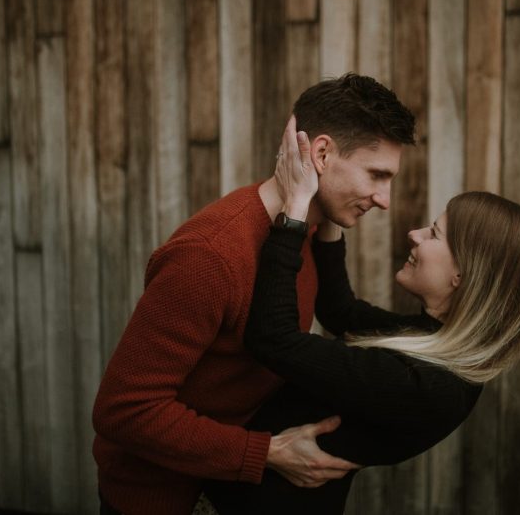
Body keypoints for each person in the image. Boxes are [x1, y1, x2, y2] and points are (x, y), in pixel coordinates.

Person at [92, 74, 416, 515]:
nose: (384, 199)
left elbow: (337, 308)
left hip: (231, 488)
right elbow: (124, 411)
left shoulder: (303, 228)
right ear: (321, 154)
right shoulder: (209, 257)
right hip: (163, 498)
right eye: (376, 175)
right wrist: (265, 452)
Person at [202, 126, 520, 513]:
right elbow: (341, 312)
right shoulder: (432, 340)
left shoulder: (430, 387)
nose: (415, 235)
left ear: (463, 276)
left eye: (434, 234)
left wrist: (296, 212)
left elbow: (273, 338)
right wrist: (330, 207)